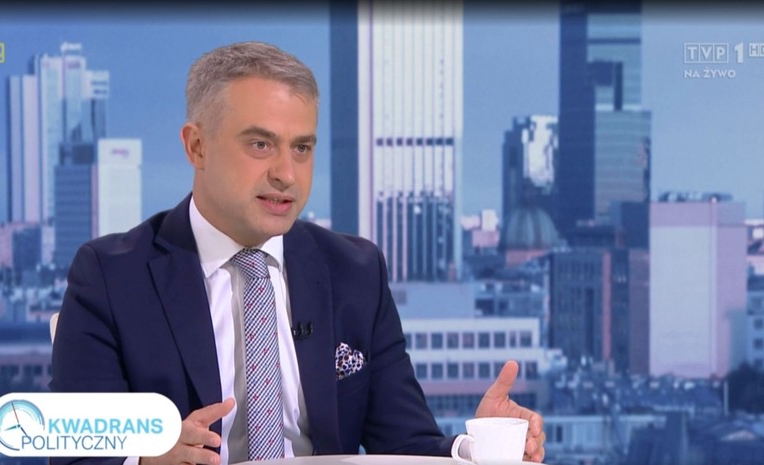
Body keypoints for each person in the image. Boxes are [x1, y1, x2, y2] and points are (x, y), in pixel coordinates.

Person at [51, 41, 546, 465]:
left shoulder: (355, 271)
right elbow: (76, 455)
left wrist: (476, 449)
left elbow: (404, 443)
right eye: (261, 145)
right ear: (197, 146)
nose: (287, 174)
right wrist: (144, 458)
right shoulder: (112, 277)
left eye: (302, 148)